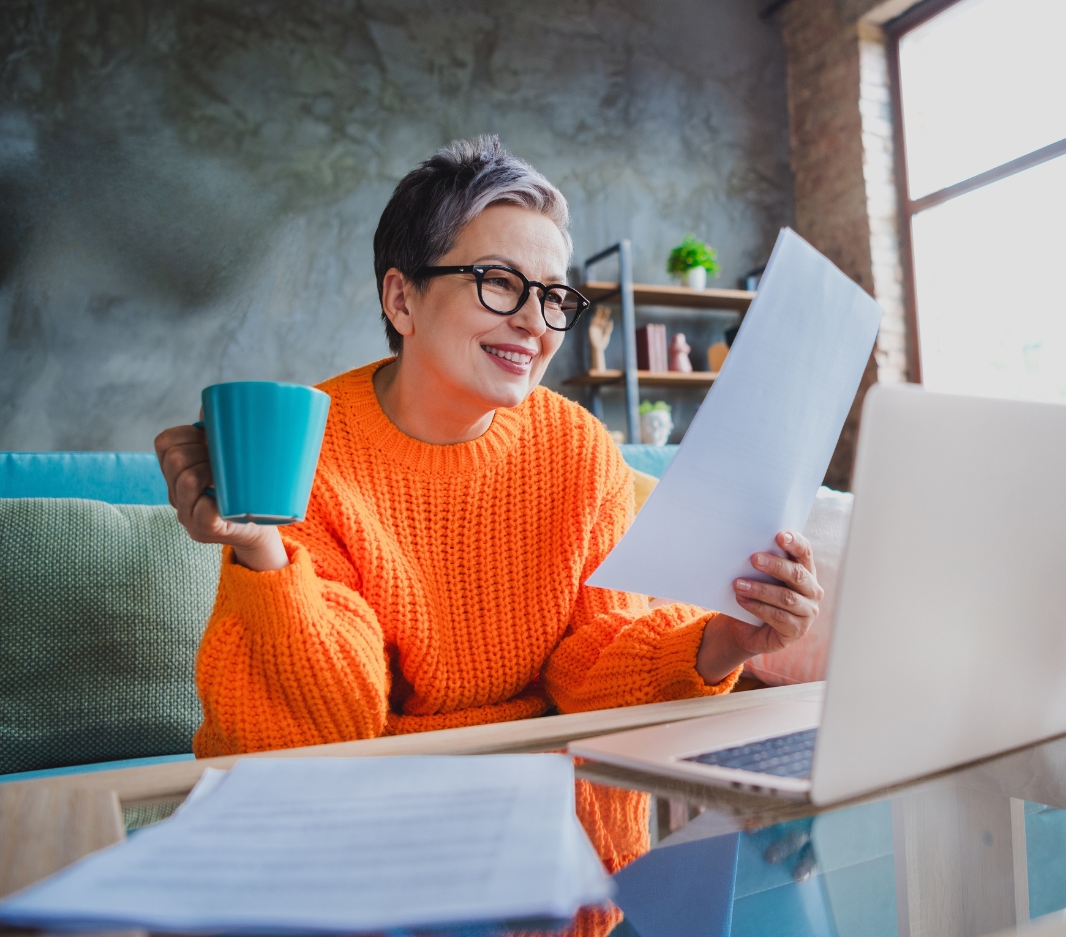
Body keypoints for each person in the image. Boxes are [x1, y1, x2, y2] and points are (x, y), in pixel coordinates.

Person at [154, 137, 822, 759]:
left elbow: (594, 663)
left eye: (554, 294)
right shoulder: (304, 446)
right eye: (499, 282)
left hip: (553, 801)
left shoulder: (579, 447)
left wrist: (728, 639)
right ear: (401, 299)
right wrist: (263, 552)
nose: (535, 322)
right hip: (380, 796)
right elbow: (328, 725)